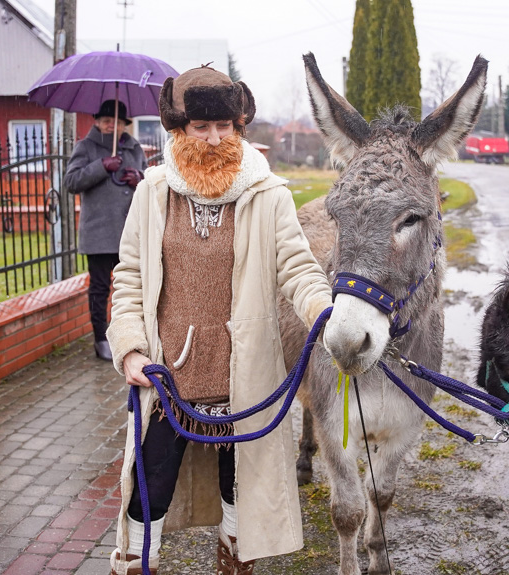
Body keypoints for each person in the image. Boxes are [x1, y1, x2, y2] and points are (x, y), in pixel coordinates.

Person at [105, 65, 333, 575]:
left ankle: (235, 565)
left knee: (241, 491)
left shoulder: (267, 193)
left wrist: (326, 312)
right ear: (177, 129)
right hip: (168, 380)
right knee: (148, 492)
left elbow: (297, 267)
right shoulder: (154, 191)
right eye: (200, 127)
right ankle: (140, 565)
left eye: (224, 126)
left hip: (245, 380)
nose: (213, 139)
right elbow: (129, 275)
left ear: (239, 125)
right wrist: (131, 348)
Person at [64, 100, 148, 361]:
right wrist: (101, 166)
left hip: (130, 232)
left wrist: (139, 179)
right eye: (108, 121)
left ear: (125, 125)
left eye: (119, 122)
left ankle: (133, 336)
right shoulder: (86, 147)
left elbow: (148, 180)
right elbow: (71, 182)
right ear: (97, 121)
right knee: (100, 289)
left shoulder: (134, 147)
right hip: (100, 233)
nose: (113, 125)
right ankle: (101, 338)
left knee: (135, 287)